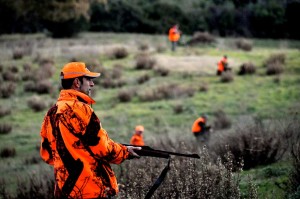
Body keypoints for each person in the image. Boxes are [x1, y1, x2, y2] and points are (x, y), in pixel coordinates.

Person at [39, 62, 141, 199]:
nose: (92, 84)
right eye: (88, 79)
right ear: (77, 82)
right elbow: (103, 148)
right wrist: (125, 151)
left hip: (64, 191)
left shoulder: (51, 113)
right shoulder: (81, 110)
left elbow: (47, 154)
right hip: (90, 190)